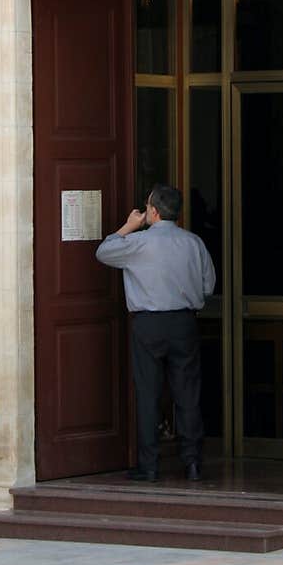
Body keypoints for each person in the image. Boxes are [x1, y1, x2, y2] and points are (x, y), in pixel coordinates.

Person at [95, 183, 215, 482]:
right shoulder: (194, 243)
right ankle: (193, 463)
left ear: (154, 211)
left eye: (147, 206)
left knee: (148, 393)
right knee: (188, 393)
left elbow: (103, 252)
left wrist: (128, 225)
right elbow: (208, 286)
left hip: (148, 323)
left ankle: (149, 466)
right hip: (184, 321)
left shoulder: (138, 243)